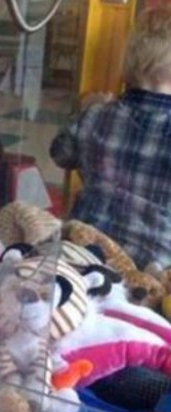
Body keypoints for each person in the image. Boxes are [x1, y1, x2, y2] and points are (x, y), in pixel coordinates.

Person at [51, 6, 171, 271]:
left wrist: (84, 111)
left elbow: (60, 154)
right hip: (152, 275)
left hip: (82, 260)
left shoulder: (95, 115)